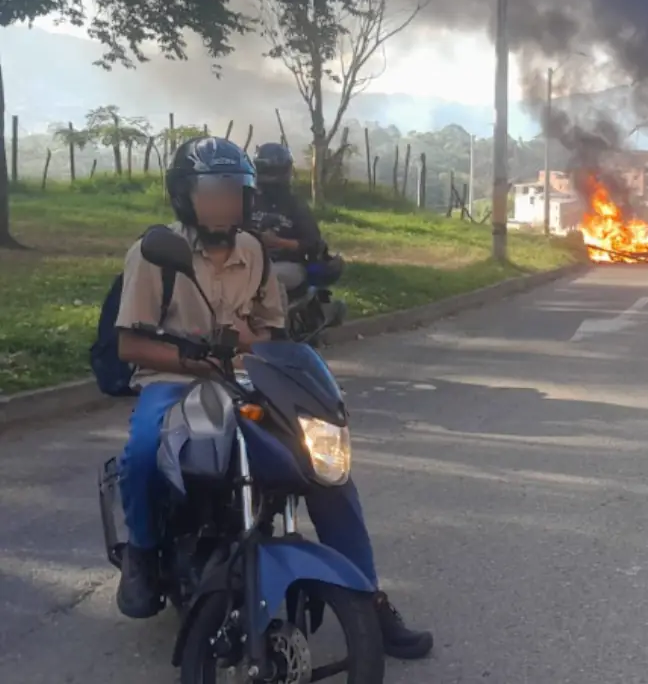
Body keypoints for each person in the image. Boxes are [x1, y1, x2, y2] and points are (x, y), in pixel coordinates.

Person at [113, 136, 433, 660]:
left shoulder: (255, 252)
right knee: (145, 451)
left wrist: (245, 347)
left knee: (323, 469)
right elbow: (130, 343)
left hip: (246, 379)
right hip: (173, 382)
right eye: (212, 191)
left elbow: (273, 334)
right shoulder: (153, 254)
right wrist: (195, 359)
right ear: (185, 196)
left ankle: (370, 602)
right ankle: (143, 557)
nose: (225, 203)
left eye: (234, 192)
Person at [250, 143, 324, 293]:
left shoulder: (295, 204)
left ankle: (273, 316)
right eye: (265, 169)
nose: (269, 175)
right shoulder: (248, 200)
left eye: (273, 170)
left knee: (267, 278)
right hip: (251, 262)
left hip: (288, 264)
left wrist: (279, 242)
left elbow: (313, 243)